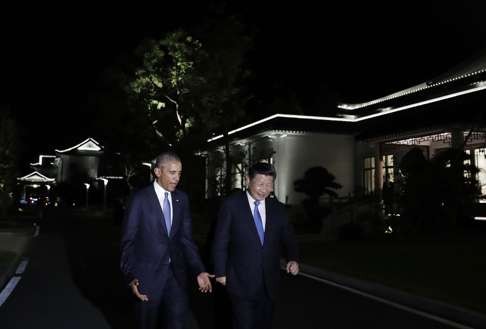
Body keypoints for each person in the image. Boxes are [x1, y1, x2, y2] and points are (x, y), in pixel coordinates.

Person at [120, 151, 213, 329]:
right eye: (172, 172)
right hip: (146, 278)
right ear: (157, 171)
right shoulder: (139, 199)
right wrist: (130, 276)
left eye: (179, 173)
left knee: (177, 323)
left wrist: (199, 270)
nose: (177, 178)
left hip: (176, 277)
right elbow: (128, 241)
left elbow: (186, 240)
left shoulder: (182, 199)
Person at [212, 162, 299, 329]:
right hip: (240, 281)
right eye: (260, 183)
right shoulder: (231, 205)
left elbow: (289, 238)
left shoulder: (278, 209)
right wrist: (220, 272)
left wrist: (293, 258)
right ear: (247, 180)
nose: (264, 189)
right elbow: (220, 241)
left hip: (269, 283)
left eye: (269, 185)